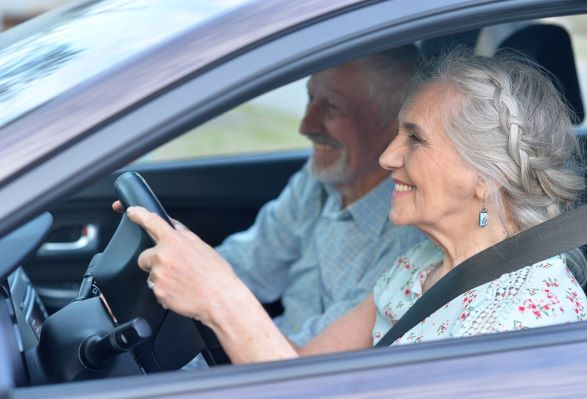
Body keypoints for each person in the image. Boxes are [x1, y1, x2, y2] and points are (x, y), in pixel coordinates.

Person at [125, 50, 587, 364]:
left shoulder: (524, 324)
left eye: (415, 138)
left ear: (484, 177)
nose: (389, 158)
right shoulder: (422, 264)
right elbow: (304, 374)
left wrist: (220, 298)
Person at [115, 45, 425, 346]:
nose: (306, 125)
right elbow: (251, 264)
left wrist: (214, 297)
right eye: (311, 98)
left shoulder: (412, 236)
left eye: (331, 107)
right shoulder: (318, 180)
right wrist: (169, 260)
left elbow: (308, 368)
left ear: (393, 127)